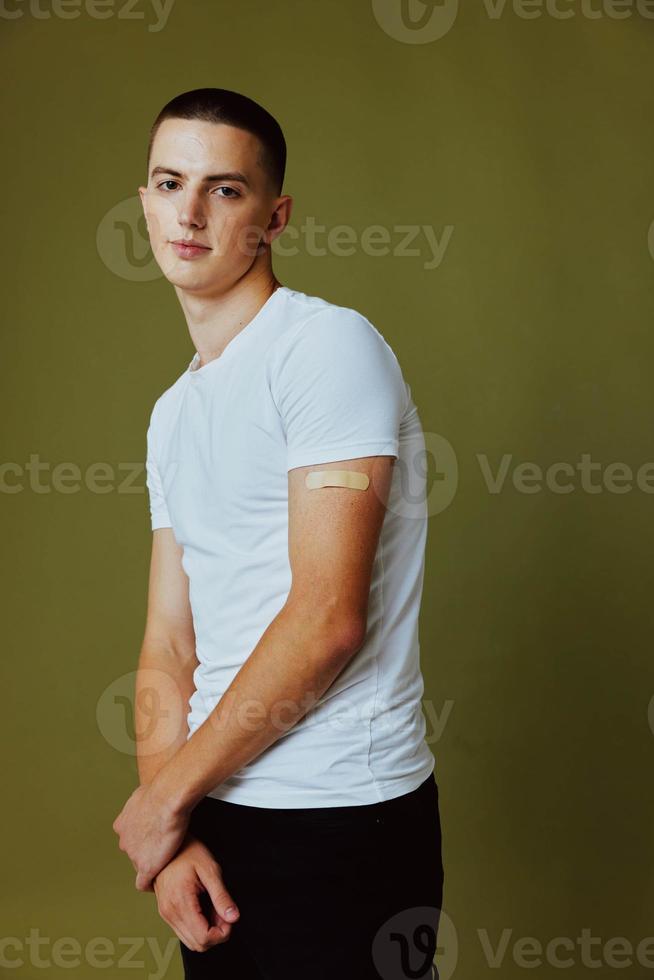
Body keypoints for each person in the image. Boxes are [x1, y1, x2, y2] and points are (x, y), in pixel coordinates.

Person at [112, 87, 444, 980]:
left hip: (343, 817)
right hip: (214, 817)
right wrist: (170, 827)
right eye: (169, 182)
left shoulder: (325, 349)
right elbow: (168, 637)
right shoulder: (172, 413)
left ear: (274, 215)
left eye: (224, 190)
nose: (188, 211)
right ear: (142, 198)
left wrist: (161, 800)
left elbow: (329, 616)